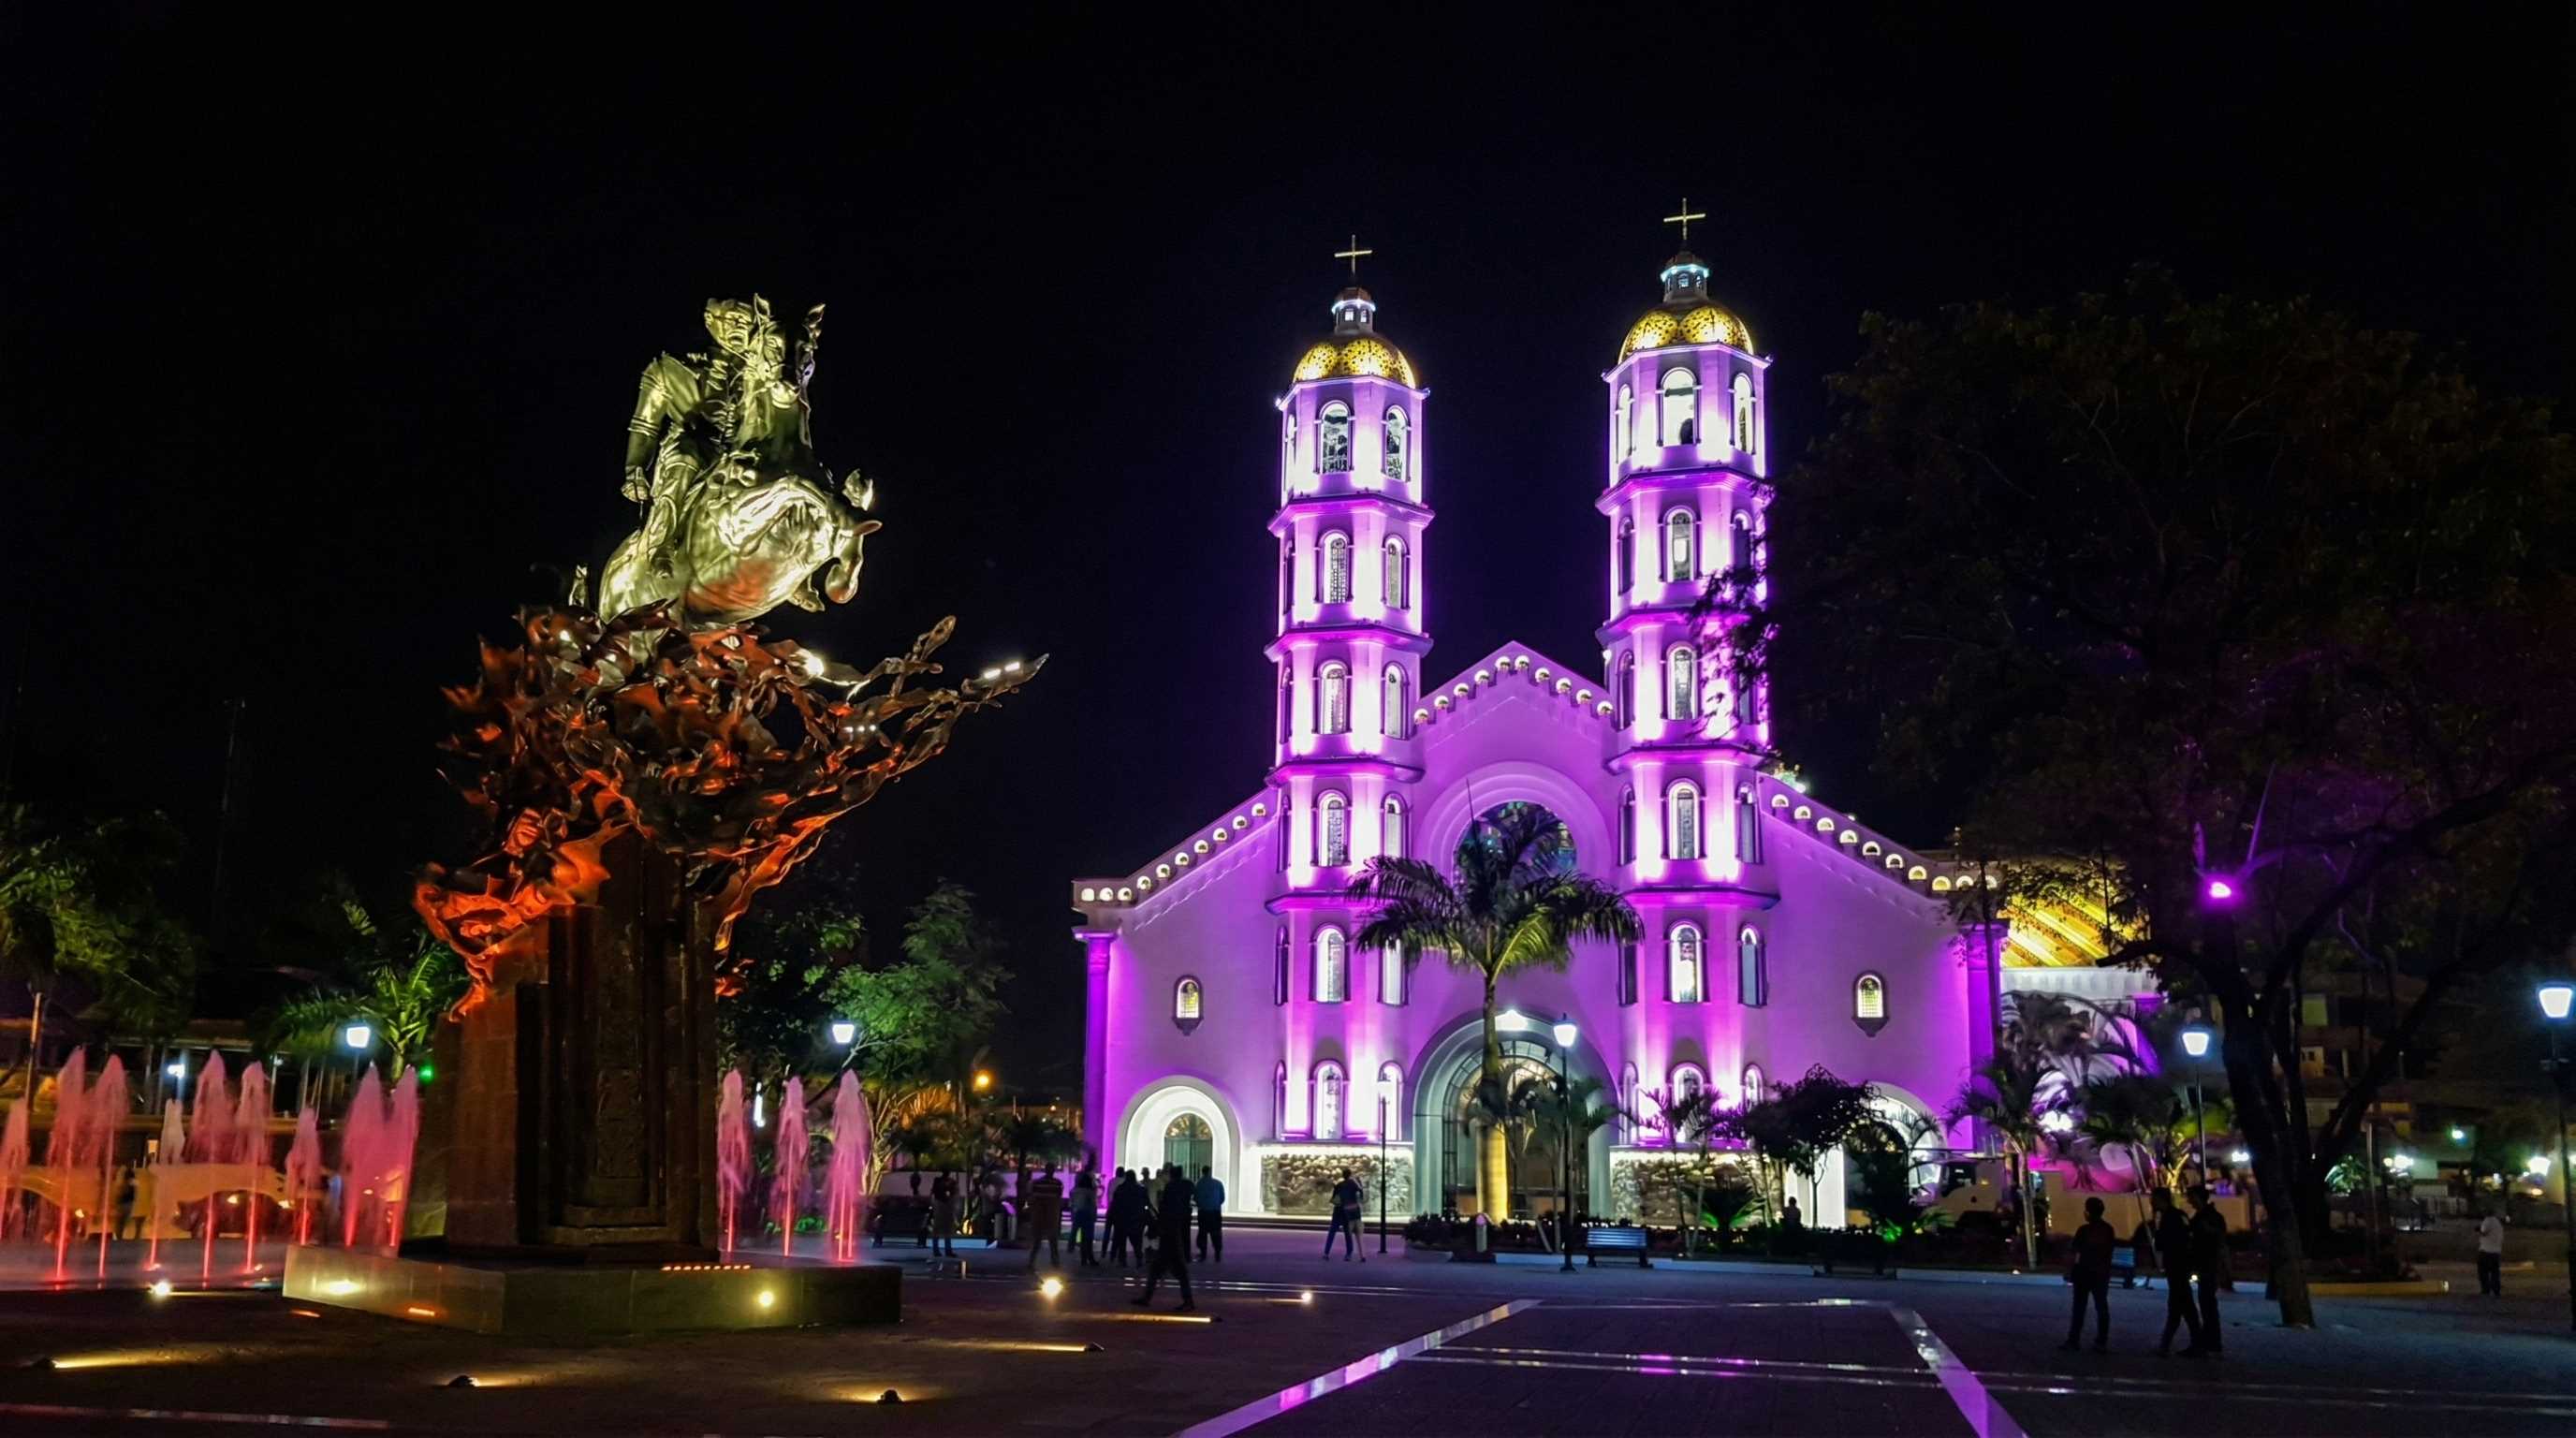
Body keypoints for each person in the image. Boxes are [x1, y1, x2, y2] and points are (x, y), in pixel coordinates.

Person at [1134, 1167, 1198, 1311]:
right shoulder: (1187, 1186)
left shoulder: (1171, 1187)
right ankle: (1149, 1297)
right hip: (1176, 1228)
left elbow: (1165, 1207)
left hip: (1169, 1230)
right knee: (1163, 1267)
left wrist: (1159, 1224)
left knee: (1171, 1268)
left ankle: (1186, 1301)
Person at [2151, 1189, 2205, 1356]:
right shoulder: (2178, 1216)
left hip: (2177, 1266)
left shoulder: (2170, 1218)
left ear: (2161, 1200)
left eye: (2153, 1199)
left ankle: (2169, 1345)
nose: (2151, 1202)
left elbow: (2166, 1243)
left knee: (2181, 1305)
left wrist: (2157, 1236)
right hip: (2180, 1266)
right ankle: (2179, 1344)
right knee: (2182, 1305)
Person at [2061, 1196, 2115, 1352]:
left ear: (2088, 1212)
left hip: (2084, 1273)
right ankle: (2101, 1341)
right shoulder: (2108, 1229)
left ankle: (2073, 1340)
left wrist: (2069, 1270)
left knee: (2079, 1308)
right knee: (2101, 1307)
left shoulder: (2084, 1230)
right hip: (2101, 1273)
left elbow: (2075, 1252)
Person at [2187, 1185, 2227, 1354]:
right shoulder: (2205, 1216)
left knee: (2208, 1305)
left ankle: (2210, 1342)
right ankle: (2210, 1341)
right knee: (2207, 1305)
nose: (2188, 1200)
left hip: (2207, 1265)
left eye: (2191, 1197)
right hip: (2205, 1265)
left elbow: (2216, 1240)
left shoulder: (2208, 1218)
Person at [1024, 1163, 1066, 1269]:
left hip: (1038, 1215)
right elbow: (1058, 1199)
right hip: (1051, 1215)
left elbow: (1032, 1198)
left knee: (1037, 1240)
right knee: (1052, 1240)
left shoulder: (1037, 1183)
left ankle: (1031, 1262)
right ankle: (1054, 1262)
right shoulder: (1057, 1184)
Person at [1107, 1168, 1146, 1268]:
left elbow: (1115, 1203)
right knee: (1136, 1241)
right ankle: (1139, 1259)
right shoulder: (1141, 1189)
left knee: (1122, 1241)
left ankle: (1122, 1260)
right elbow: (1146, 1203)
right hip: (1136, 1218)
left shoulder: (1120, 1188)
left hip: (1122, 1218)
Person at [1324, 1168, 1364, 1261]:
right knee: (1348, 1234)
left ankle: (1326, 1252)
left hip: (1338, 1212)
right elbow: (1360, 1195)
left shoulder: (1339, 1185)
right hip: (1348, 1213)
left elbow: (1334, 1200)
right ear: (1350, 1175)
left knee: (1332, 1232)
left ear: (1343, 1175)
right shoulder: (1354, 1184)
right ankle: (1348, 1254)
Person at [1194, 1165, 1226, 1263]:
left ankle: (1203, 1254)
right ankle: (1217, 1254)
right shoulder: (1218, 1183)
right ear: (1210, 1172)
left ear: (1202, 1172)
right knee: (1216, 1233)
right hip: (1215, 1212)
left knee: (1203, 1233)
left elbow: (1196, 1198)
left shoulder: (1199, 1184)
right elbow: (1222, 1198)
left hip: (1203, 1212)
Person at [1071, 1167, 1101, 1268]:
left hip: (1078, 1214)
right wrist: (1094, 1215)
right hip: (1088, 1215)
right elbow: (1093, 1204)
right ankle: (1089, 1258)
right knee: (1088, 1238)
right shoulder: (1090, 1192)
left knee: (1082, 1236)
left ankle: (1084, 1259)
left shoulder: (1075, 1191)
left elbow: (1072, 1204)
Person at [2475, 1206, 2505, 1296]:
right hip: (2496, 1251)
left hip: (2486, 1251)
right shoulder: (2498, 1223)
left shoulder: (2487, 1221)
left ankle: (2486, 1290)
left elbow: (2484, 1232)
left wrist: (2478, 1229)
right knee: (2495, 1272)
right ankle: (2496, 1290)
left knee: (2483, 1272)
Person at [929, 1171, 959, 1257]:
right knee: (942, 1228)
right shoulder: (941, 1182)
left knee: (945, 1228)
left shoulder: (947, 1182)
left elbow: (953, 1192)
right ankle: (942, 1250)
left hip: (944, 1204)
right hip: (942, 1204)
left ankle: (942, 1250)